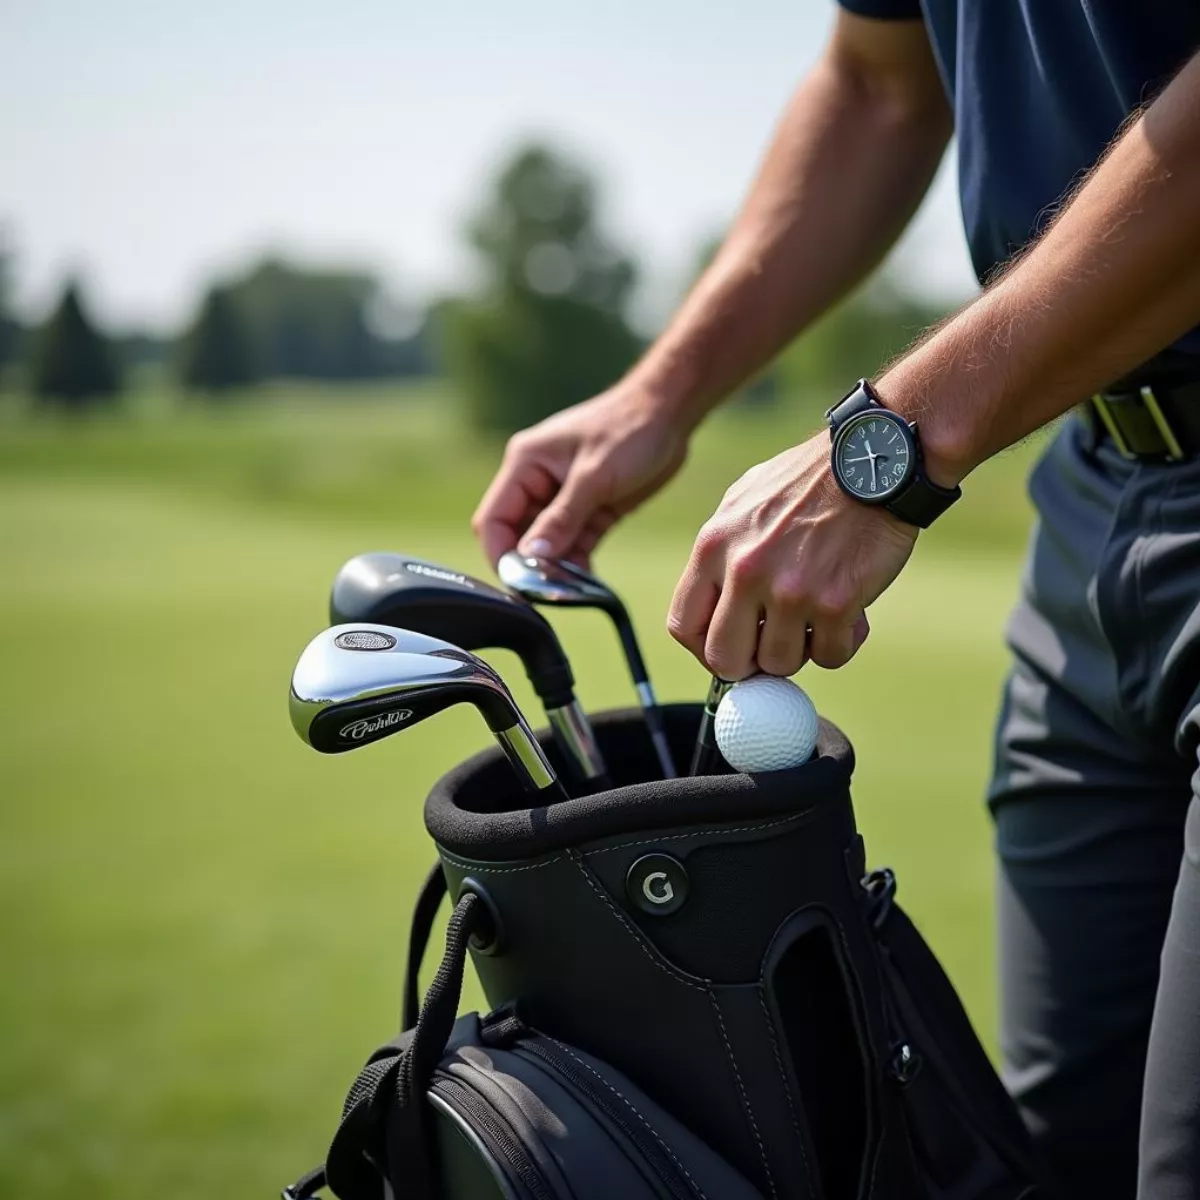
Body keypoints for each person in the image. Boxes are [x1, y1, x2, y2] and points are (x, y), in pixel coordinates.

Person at [471, 5, 1200, 1196]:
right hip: (1095, 497)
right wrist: (664, 390)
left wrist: (893, 444)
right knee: (1059, 1166)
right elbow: (877, 88)